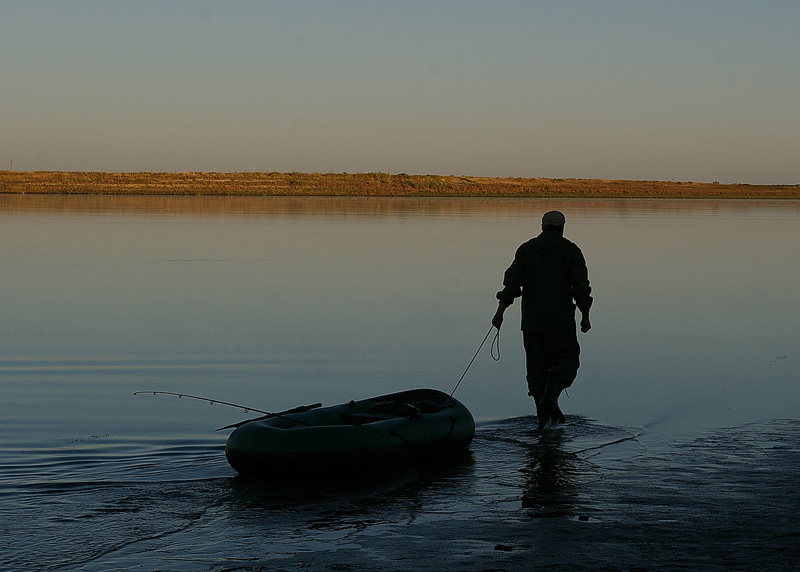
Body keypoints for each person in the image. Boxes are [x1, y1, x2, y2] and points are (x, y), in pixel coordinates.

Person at [492, 210, 592, 429]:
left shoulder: (526, 249)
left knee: (536, 370)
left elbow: (512, 283)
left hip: (532, 323)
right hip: (561, 321)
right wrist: (585, 315)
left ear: (542, 227)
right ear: (562, 228)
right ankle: (551, 401)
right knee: (566, 360)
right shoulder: (571, 251)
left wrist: (500, 311)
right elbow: (581, 287)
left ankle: (544, 419)